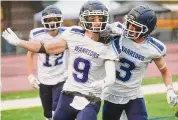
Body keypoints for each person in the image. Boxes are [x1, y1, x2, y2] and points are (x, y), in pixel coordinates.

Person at [2, 1, 121, 120]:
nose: (97, 22)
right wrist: (20, 42)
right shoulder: (74, 34)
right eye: (92, 18)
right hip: (68, 94)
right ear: (83, 19)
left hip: (91, 98)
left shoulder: (109, 43)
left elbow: (135, 35)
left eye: (100, 18)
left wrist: (120, 28)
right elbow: (46, 48)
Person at [101, 5, 178, 120]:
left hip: (134, 96)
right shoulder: (117, 32)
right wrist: (106, 31)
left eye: (136, 27)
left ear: (147, 30)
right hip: (112, 94)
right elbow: (96, 33)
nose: (130, 28)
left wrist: (170, 90)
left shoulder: (153, 48)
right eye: (129, 23)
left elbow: (164, 71)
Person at [27, 5, 68, 120]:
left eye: (55, 19)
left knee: (57, 109)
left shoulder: (66, 33)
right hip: (44, 78)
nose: (52, 23)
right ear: (43, 21)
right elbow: (30, 53)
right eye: (49, 20)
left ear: (60, 19)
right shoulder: (36, 34)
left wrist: (70, 69)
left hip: (60, 77)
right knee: (48, 113)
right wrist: (30, 74)